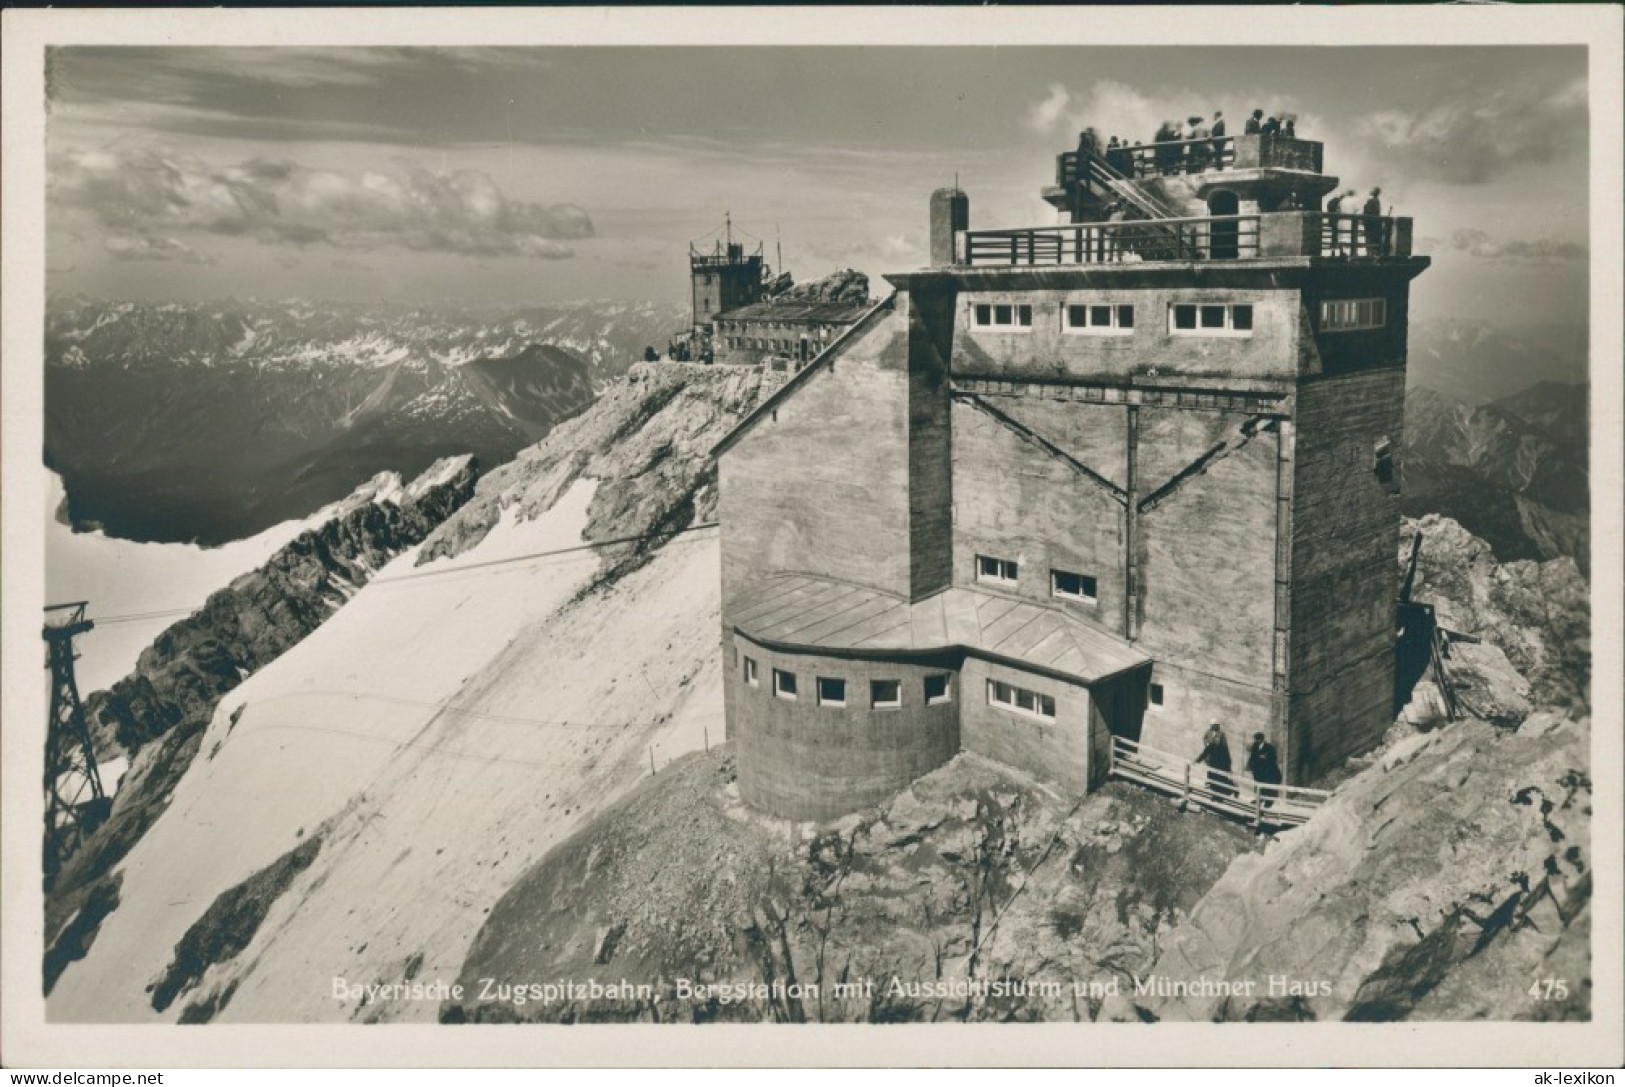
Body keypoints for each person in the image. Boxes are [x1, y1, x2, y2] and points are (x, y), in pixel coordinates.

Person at [1195, 722, 1235, 801]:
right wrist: (1197, 760)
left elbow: (1226, 752)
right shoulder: (1210, 738)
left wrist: (1228, 766)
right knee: (1212, 778)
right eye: (1213, 725)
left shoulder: (1221, 737)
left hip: (1219, 764)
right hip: (1212, 761)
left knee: (1218, 780)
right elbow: (1205, 750)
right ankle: (1214, 794)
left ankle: (1218, 796)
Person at [1246, 733, 1283, 808]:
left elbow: (1274, 758)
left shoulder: (1269, 747)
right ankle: (1259, 799)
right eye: (1255, 739)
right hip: (1258, 771)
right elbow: (1252, 756)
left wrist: (1265, 757)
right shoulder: (1255, 746)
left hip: (1267, 771)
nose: (1256, 741)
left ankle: (1268, 802)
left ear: (1261, 739)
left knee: (1267, 787)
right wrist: (1249, 765)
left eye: (1257, 739)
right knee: (1258, 785)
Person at [1363, 186, 1385, 255]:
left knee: (1370, 239)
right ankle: (1374, 253)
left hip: (1370, 224)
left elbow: (1367, 212)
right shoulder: (1377, 200)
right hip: (1376, 223)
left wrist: (1364, 222)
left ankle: (1370, 253)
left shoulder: (1370, 200)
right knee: (1375, 239)